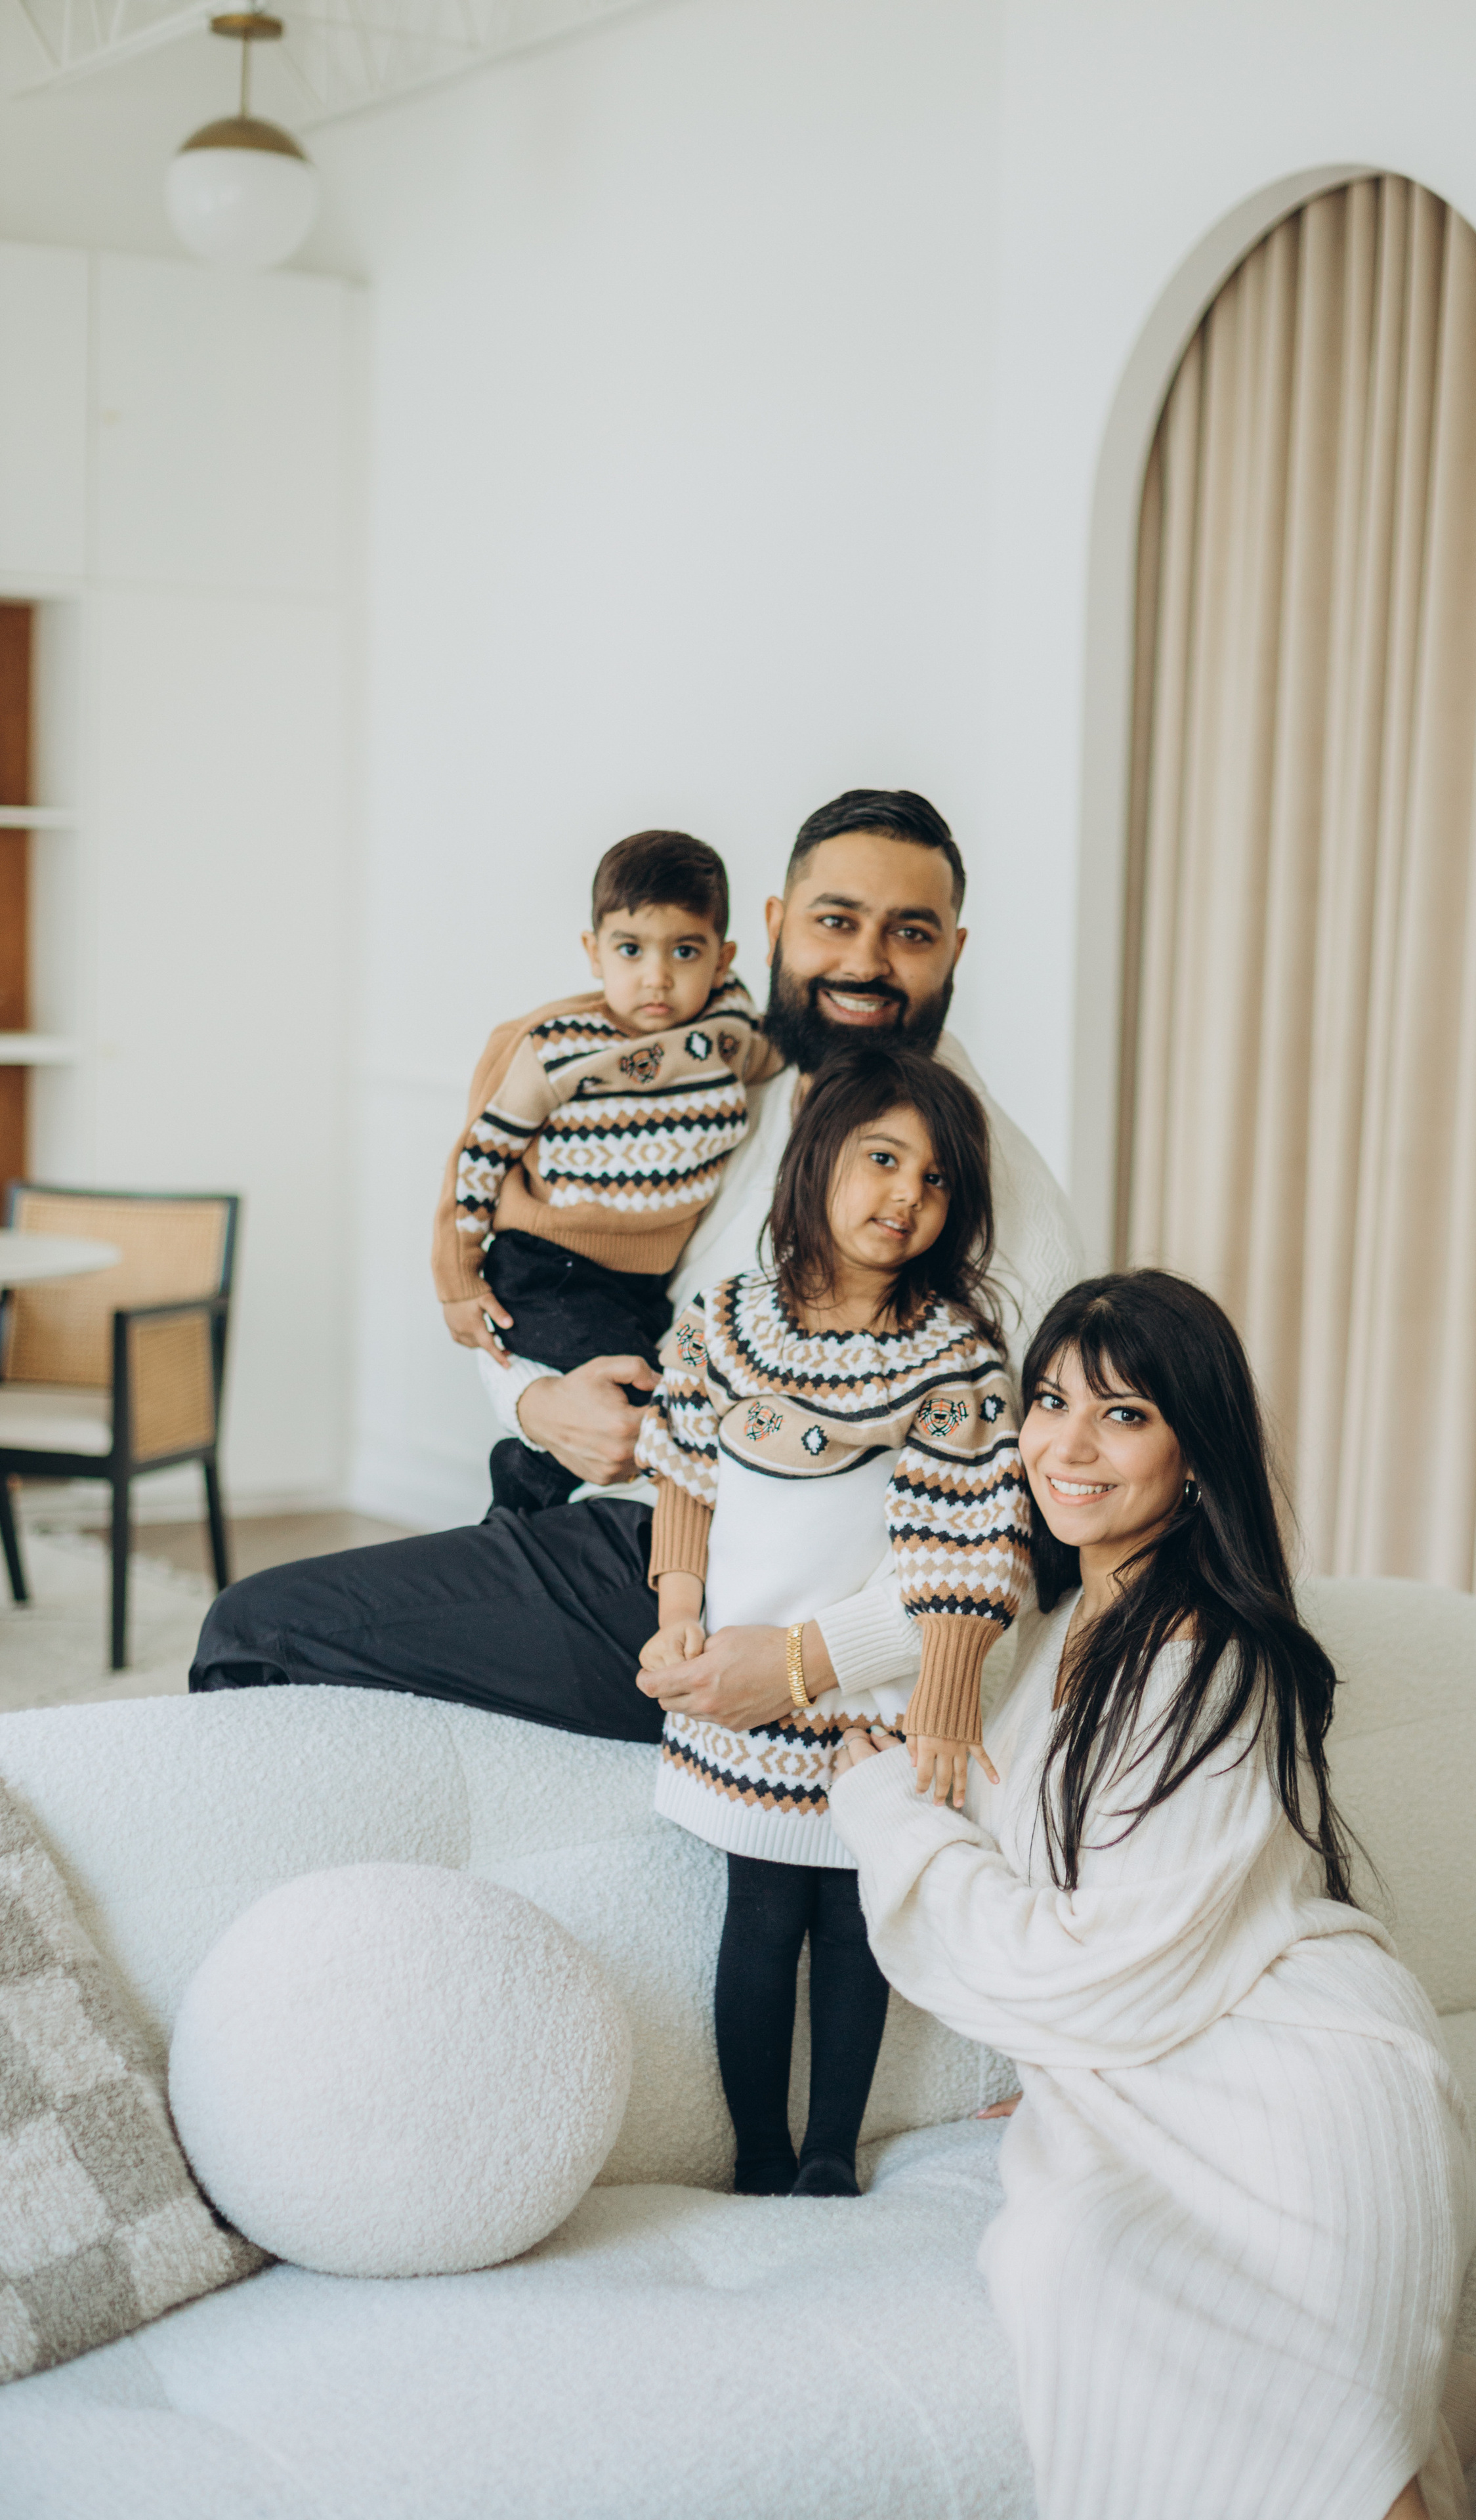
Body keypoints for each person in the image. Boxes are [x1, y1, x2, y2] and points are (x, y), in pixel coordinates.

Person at [189, 788, 1082, 1752]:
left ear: (954, 950)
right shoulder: (734, 1099)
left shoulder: (997, 1210)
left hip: (735, 1591)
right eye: (836, 922)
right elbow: (551, 1263)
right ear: (776, 930)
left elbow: (1027, 1533)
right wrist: (533, 1403)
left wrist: (796, 1663)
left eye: (909, 932)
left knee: (255, 1632)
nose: (865, 962)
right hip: (635, 1517)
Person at [830, 1272, 1476, 2520]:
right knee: (1069, 2261)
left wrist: (885, 1818)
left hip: (1303, 2091)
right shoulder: (1068, 1621)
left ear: (1195, 1455)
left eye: (1122, 1415)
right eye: (1049, 1400)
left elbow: (1098, 1959)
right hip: (1151, 2063)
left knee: (1317, 2440)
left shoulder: (1215, 1663)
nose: (1066, 1446)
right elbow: (1102, 1918)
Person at [637, 1040, 1030, 2197]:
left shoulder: (951, 1359)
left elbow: (965, 1548)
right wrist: (675, 1610)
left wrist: (946, 1700)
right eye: (882, 1159)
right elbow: (683, 1480)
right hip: (739, 1703)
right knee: (759, 1922)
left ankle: (828, 2158)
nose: (906, 1195)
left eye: (937, 1179)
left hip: (871, 1712)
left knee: (857, 1929)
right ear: (815, 1162)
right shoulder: (726, 1324)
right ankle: (759, 2155)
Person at [431, 828, 777, 1516]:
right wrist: (456, 1281)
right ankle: (514, 1520)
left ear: (723, 956)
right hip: (547, 1268)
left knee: (659, 1398)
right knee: (630, 1399)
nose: (657, 976)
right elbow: (479, 1158)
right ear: (593, 953)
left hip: (641, 1285)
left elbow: (784, 1060)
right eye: (630, 950)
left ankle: (543, 1522)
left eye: (685, 951)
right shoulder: (556, 1047)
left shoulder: (731, 1033)